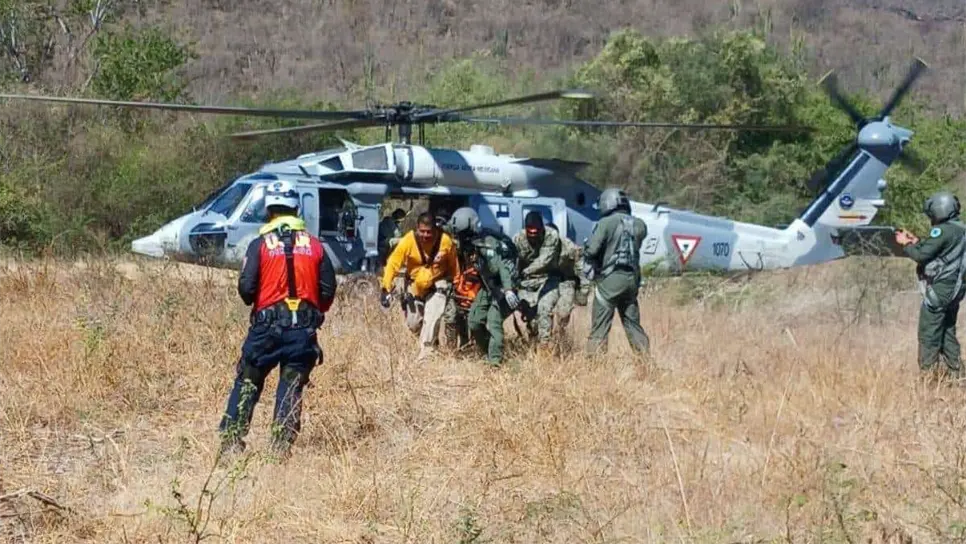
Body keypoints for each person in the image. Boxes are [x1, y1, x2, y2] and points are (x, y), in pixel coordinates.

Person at [218, 180, 337, 457]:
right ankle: (280, 449)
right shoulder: (317, 247)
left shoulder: (259, 245)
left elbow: (246, 290)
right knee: (291, 387)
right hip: (302, 332)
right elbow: (328, 289)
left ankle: (231, 444)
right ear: (296, 209)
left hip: (265, 331)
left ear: (269, 211)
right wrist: (311, 313)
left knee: (248, 381)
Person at [895, 190, 966, 381]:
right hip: (955, 291)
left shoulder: (942, 230)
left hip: (940, 291)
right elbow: (937, 249)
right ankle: (958, 376)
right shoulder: (960, 229)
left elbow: (921, 256)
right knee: (947, 332)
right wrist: (915, 241)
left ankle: (929, 379)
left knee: (929, 334)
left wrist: (905, 245)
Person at [380, 212, 459, 361]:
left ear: (435, 229)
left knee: (432, 317)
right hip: (414, 285)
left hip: (438, 284)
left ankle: (426, 356)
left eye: (429, 232)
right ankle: (429, 338)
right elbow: (393, 264)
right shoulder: (408, 240)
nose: (425, 235)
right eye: (422, 231)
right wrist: (386, 287)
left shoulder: (446, 242)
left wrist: (456, 283)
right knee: (414, 324)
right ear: (417, 228)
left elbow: (454, 266)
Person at [448, 207, 521, 366]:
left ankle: (495, 362)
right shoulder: (468, 243)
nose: (460, 238)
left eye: (462, 234)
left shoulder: (486, 244)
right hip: (489, 285)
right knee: (474, 321)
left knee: (494, 321)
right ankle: (490, 351)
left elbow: (500, 267)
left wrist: (508, 290)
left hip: (503, 286)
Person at [582, 187, 650, 357]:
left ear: (607, 203)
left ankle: (595, 367)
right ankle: (645, 363)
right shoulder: (640, 225)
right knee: (633, 325)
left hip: (610, 282)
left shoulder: (606, 223)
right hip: (632, 281)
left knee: (600, 327)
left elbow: (592, 250)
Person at [513, 211, 562, 352]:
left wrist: (524, 272)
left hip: (548, 279)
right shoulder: (518, 239)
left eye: (537, 231)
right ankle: (532, 343)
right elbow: (512, 262)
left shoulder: (551, 236)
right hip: (526, 283)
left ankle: (544, 348)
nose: (533, 234)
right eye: (530, 231)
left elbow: (544, 260)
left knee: (544, 309)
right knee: (530, 316)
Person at [546, 222, 588, 339]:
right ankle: (544, 338)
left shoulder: (568, 245)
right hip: (546, 281)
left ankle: (561, 335)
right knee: (543, 312)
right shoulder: (539, 244)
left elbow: (580, 265)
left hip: (566, 281)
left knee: (563, 312)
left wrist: (584, 288)